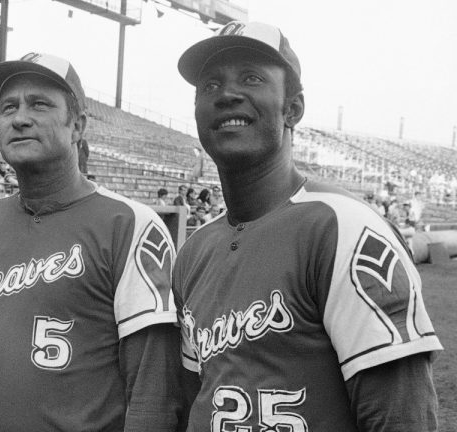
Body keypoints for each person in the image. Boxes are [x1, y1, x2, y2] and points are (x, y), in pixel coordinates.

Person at [174, 21, 442, 431]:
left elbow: (402, 416)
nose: (226, 94)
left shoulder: (343, 227)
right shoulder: (194, 251)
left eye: (251, 78)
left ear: (293, 109)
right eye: (209, 85)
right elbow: (199, 396)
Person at [0, 52, 183, 432]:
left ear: (77, 126)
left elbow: (152, 388)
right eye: (8, 107)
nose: (20, 117)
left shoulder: (130, 223)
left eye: (39, 104)